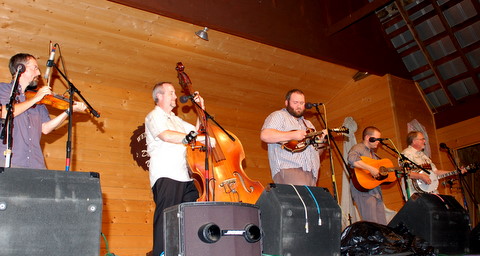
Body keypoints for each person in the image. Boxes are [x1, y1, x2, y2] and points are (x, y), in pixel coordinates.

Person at [145, 82, 212, 256]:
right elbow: (166, 135)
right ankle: (160, 253)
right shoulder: (154, 116)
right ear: (159, 96)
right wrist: (192, 139)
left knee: (191, 217)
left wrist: (200, 108)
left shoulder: (177, 120)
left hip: (186, 177)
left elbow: (196, 132)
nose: (176, 97)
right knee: (166, 219)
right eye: (172, 93)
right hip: (166, 174)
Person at [0, 53, 86, 169]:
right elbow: (5, 112)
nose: (39, 73)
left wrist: (68, 111)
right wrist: (36, 98)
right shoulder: (4, 89)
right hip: (11, 161)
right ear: (20, 68)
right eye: (35, 68)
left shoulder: (38, 101)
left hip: (36, 164)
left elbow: (45, 128)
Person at [260, 89, 327, 186]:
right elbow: (265, 135)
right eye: (295, 102)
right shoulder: (279, 116)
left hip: (312, 173)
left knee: (308, 201)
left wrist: (322, 141)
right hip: (289, 169)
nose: (299, 106)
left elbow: (316, 152)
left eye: (302, 103)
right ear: (286, 103)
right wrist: (293, 135)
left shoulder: (308, 124)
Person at [400, 131, 466, 200]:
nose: (424, 141)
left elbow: (435, 172)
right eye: (422, 139)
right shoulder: (406, 154)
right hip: (415, 193)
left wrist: (455, 172)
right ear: (414, 141)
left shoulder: (424, 156)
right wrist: (420, 176)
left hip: (430, 191)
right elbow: (403, 172)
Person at [347, 126, 387, 225]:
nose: (378, 141)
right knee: (372, 224)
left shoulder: (373, 154)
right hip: (363, 191)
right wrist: (370, 168)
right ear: (368, 137)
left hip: (376, 191)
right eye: (376, 139)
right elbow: (351, 159)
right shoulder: (358, 148)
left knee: (382, 224)